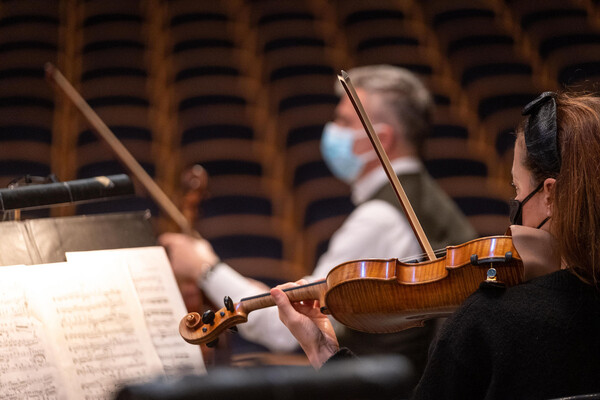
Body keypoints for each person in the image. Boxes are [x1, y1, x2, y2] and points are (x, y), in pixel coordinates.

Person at [270, 91, 600, 399]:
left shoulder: (491, 321)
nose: (514, 200)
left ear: (550, 195)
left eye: (517, 187)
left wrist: (323, 351)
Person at [159, 65, 476, 375]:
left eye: (343, 121)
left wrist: (205, 268)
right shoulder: (431, 202)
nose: (332, 129)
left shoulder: (380, 218)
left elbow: (288, 332)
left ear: (381, 138)